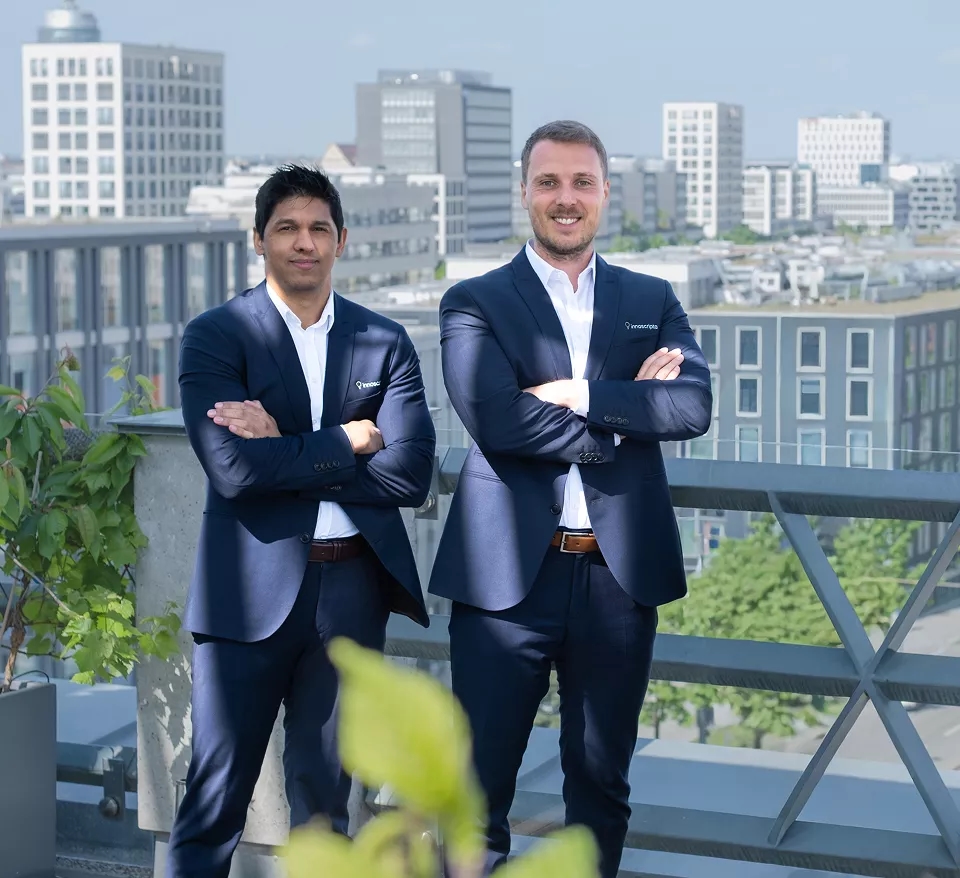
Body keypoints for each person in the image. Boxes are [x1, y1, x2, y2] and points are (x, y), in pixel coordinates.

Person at [429, 121, 712, 877]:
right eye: (549, 182)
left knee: (601, 784)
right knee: (475, 790)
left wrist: (578, 391)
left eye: (581, 183)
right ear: (525, 191)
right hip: (503, 585)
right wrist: (620, 421)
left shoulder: (653, 298)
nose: (566, 198)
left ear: (604, 194)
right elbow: (494, 416)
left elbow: (690, 410)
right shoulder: (475, 301)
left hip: (618, 584)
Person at [167, 164, 436, 877]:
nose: (304, 242)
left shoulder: (385, 341)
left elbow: (411, 475)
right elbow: (233, 471)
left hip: (352, 593)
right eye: (287, 227)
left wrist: (282, 442)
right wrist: (349, 439)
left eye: (319, 228)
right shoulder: (217, 336)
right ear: (260, 240)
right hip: (247, 596)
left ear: (342, 240)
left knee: (326, 800)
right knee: (215, 795)